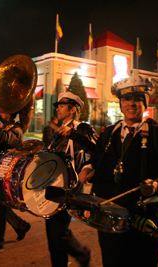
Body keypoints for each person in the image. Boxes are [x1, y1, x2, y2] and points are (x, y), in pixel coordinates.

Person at [79, 76, 158, 267]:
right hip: (109, 221)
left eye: (137, 98)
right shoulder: (109, 133)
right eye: (126, 99)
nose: (131, 104)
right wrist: (88, 169)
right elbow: (96, 160)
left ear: (144, 103)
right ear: (120, 103)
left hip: (143, 221)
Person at [46, 91, 97, 267]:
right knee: (52, 238)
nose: (58, 109)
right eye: (58, 106)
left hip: (69, 189)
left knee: (58, 233)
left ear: (73, 109)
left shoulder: (82, 129)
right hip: (53, 187)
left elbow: (97, 152)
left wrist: (87, 169)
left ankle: (82, 254)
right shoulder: (57, 133)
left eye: (61, 106)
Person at [0, 112, 31, 257]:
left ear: (9, 112)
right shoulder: (3, 127)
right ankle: (21, 226)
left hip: (4, 175)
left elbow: (3, 140)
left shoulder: (15, 130)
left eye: (3, 110)